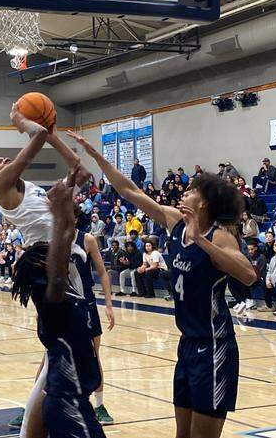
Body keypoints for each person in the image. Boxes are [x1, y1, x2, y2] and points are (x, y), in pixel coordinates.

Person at [68, 130, 257, 438]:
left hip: (214, 346)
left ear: (204, 203)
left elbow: (248, 275)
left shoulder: (219, 236)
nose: (184, 193)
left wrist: (201, 241)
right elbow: (129, 190)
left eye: (191, 191)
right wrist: (96, 155)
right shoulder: (174, 221)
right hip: (187, 344)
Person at [10, 169, 106, 438]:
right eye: (49, 257)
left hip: (71, 402)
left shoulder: (63, 297)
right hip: (69, 406)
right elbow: (61, 249)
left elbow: (62, 248)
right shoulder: (53, 302)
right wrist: (61, 213)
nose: (58, 257)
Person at [75, 226, 116, 425]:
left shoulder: (87, 239)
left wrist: (108, 305)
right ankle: (33, 406)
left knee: (93, 354)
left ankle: (99, 405)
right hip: (61, 303)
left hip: (86, 303)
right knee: (49, 356)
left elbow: (102, 272)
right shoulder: (51, 237)